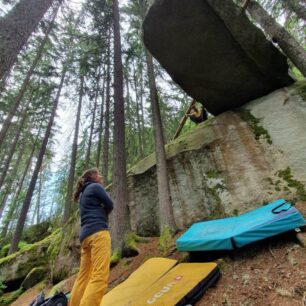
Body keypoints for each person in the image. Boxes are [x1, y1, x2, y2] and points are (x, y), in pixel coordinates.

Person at [68, 168, 113, 306]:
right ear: (92, 177)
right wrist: (103, 212)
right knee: (99, 275)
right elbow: (110, 204)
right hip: (98, 234)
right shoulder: (95, 187)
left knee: (83, 277)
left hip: (85, 238)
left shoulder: (83, 194)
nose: (101, 176)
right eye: (98, 174)